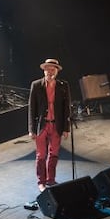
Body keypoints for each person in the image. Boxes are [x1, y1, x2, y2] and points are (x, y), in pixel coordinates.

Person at [28, 59, 71, 192]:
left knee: (54, 154)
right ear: (44, 70)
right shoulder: (36, 85)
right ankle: (41, 181)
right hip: (42, 125)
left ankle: (50, 180)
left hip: (56, 125)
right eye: (48, 69)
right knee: (41, 155)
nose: (50, 72)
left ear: (57, 71)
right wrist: (31, 129)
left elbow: (66, 109)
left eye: (53, 69)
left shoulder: (63, 85)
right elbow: (31, 108)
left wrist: (65, 128)